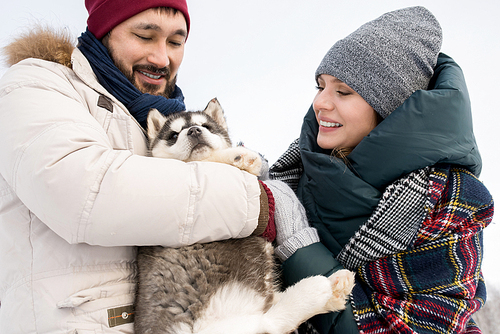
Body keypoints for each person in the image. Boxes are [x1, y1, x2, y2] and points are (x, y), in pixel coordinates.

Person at [0, 0, 318, 332]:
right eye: (145, 36)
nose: (162, 58)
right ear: (103, 31)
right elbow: (82, 192)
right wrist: (255, 201)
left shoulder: (148, 116)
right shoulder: (38, 83)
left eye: (175, 42)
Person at [269, 6, 494, 334]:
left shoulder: (450, 203)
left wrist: (299, 246)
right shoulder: (295, 169)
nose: (320, 102)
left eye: (343, 91)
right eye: (321, 86)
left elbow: (400, 328)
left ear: (391, 108)